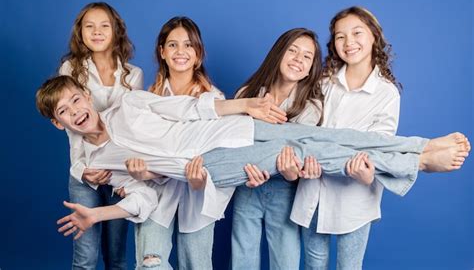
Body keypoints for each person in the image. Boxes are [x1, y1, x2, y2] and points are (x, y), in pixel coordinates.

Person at [35, 75, 469, 240]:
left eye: (77, 99)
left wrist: (244, 107)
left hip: (230, 128)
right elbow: (143, 199)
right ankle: (418, 160)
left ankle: (416, 148)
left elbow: (190, 107)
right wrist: (100, 214)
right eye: (65, 112)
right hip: (208, 164)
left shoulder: (128, 103)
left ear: (86, 95)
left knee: (325, 138)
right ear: (59, 124)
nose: (77, 111)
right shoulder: (95, 164)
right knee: (322, 156)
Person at [292, 6, 470, 270]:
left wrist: (367, 174)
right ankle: (420, 154)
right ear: (333, 44)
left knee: (349, 267)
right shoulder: (323, 82)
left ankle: (420, 154)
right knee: (314, 264)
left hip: (355, 197)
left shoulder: (386, 93)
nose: (349, 42)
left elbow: (378, 148)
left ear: (374, 36)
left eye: (357, 33)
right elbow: (308, 135)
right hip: (314, 189)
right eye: (340, 36)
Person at [130, 16, 227, 270]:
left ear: (199, 53)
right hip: (156, 194)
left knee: (197, 265)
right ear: (162, 52)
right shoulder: (148, 100)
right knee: (149, 264)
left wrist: (201, 180)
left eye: (188, 45)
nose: (180, 52)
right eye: (172, 45)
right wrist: (142, 172)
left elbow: (221, 159)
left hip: (197, 195)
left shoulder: (215, 100)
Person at [231, 28, 328, 269]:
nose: (298, 59)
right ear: (278, 53)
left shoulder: (311, 107)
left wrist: (290, 172)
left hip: (285, 192)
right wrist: (249, 165)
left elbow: (297, 160)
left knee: (285, 262)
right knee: (242, 259)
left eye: (307, 56)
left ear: (311, 68)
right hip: (247, 185)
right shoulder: (247, 94)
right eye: (292, 50)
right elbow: (232, 143)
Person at [58, 2, 143, 270]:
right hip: (86, 173)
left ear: (116, 30)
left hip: (119, 174)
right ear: (80, 32)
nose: (97, 32)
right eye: (89, 26)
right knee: (85, 258)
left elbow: (131, 129)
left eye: (104, 25)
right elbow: (73, 130)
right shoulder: (71, 70)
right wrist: (82, 170)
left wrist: (125, 173)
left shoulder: (134, 75)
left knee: (116, 256)